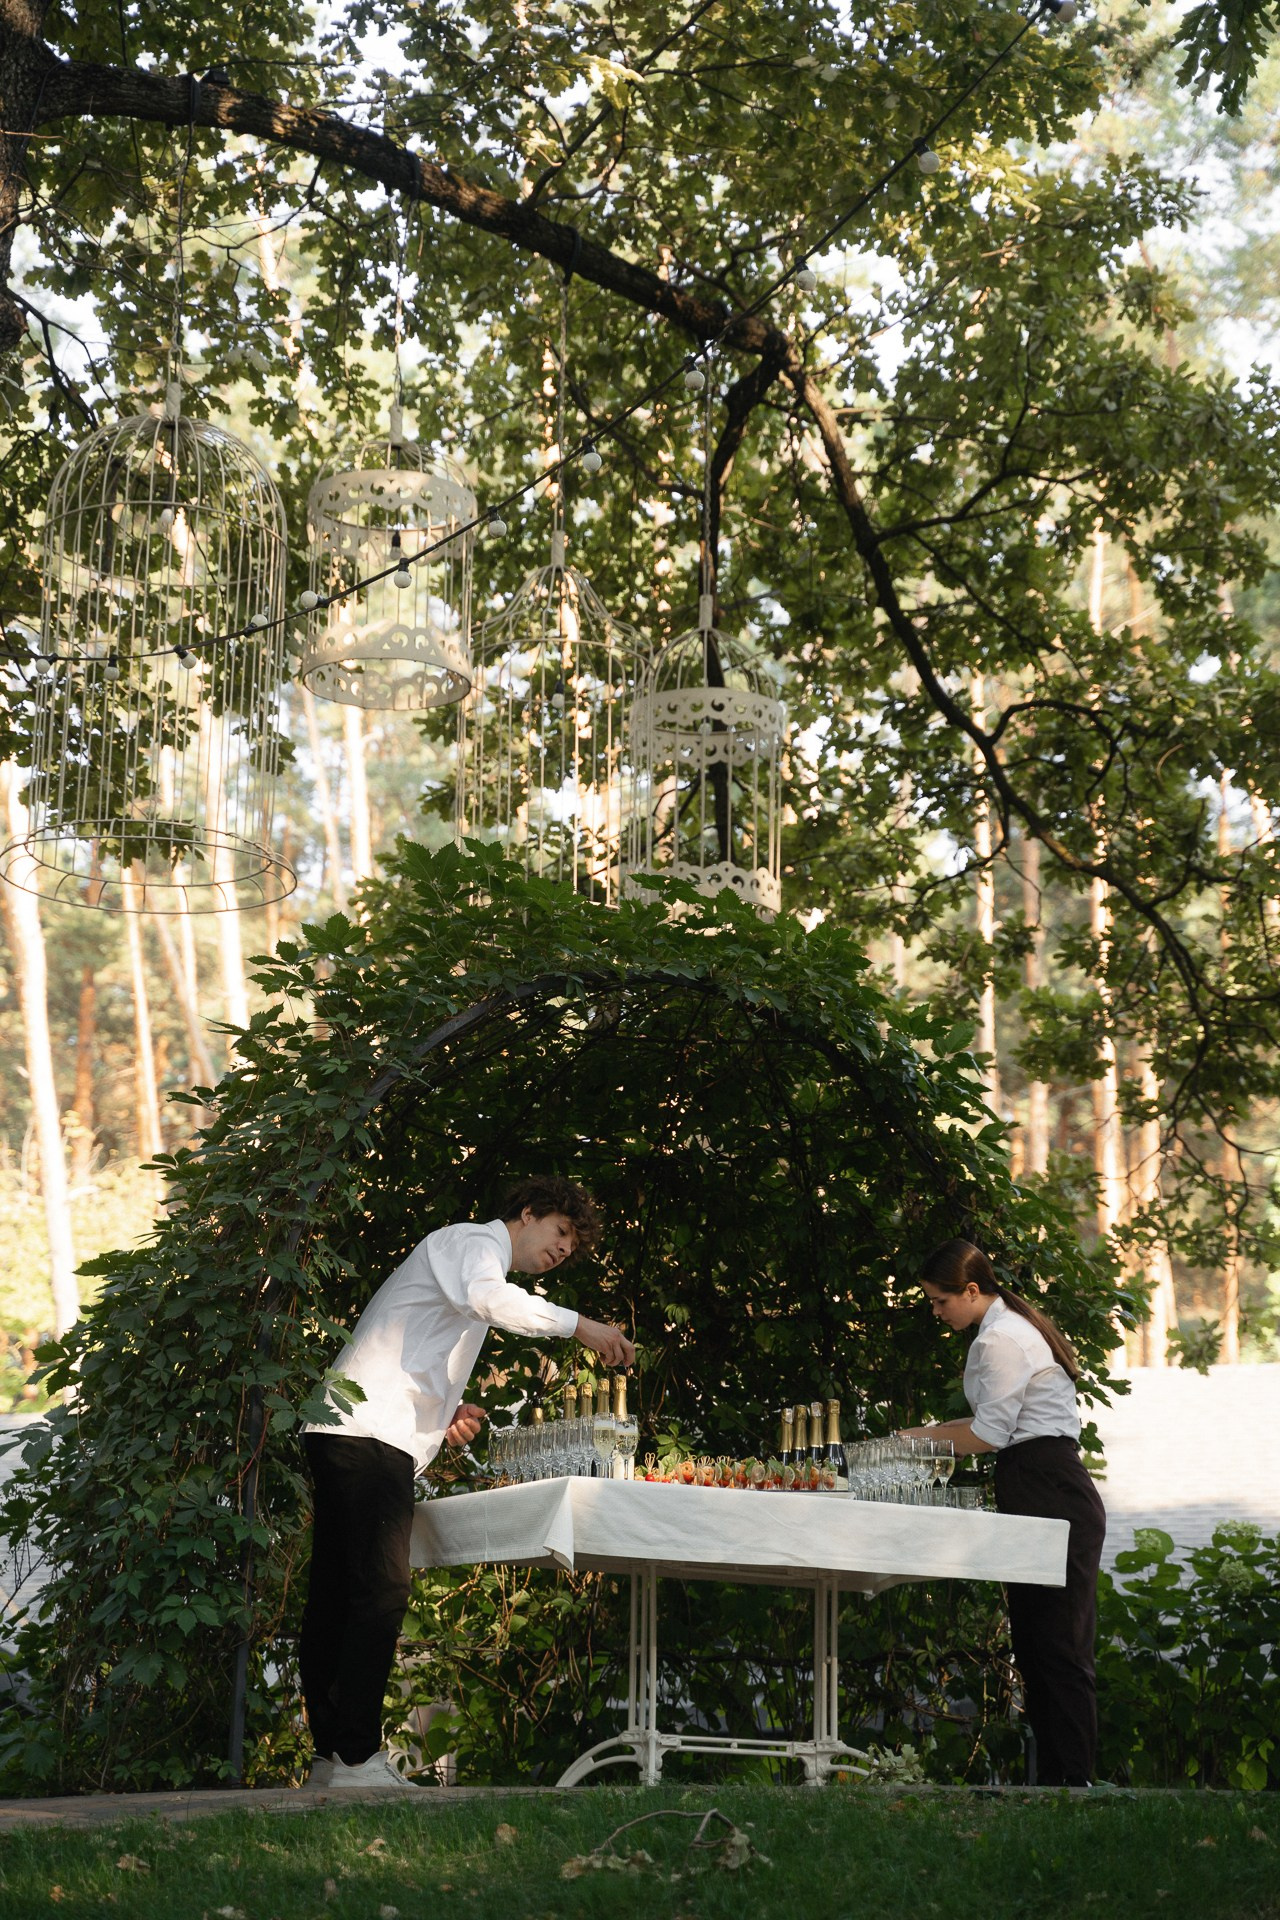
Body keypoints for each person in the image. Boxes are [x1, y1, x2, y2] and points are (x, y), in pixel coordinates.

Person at [299, 1174, 634, 1791]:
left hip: (349, 1427)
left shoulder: (463, 1256)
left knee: (339, 1594)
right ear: (527, 1213)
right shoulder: (474, 1244)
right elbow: (492, 1300)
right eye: (560, 1233)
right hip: (367, 1434)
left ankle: (331, 1758)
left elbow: (419, 1341)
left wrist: (444, 1410)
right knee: (379, 1591)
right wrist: (580, 1324)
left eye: (571, 1248)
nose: (562, 1252)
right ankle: (353, 1758)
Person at [898, 1237, 1106, 1788]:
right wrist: (919, 1437)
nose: (937, 1312)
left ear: (972, 1290)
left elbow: (988, 1435)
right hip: (1038, 1483)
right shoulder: (1006, 1327)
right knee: (1037, 1644)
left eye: (941, 1301)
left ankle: (1074, 1784)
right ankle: (1059, 1783)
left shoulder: (1002, 1340)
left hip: (1048, 1486)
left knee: (1058, 1645)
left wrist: (910, 1441)